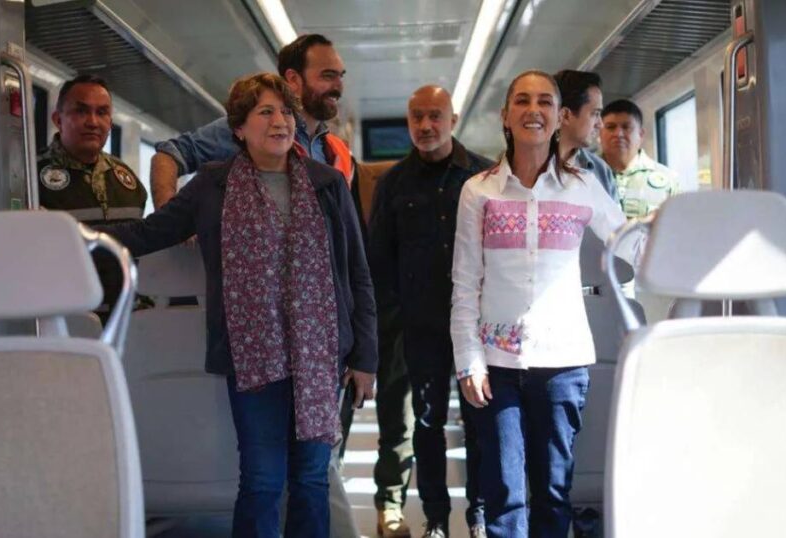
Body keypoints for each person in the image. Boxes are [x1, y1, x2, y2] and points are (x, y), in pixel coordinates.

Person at [96, 73, 377, 538]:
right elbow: (148, 234)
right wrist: (71, 235)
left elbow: (357, 273)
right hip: (253, 356)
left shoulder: (327, 184)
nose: (280, 121)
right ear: (239, 129)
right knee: (262, 479)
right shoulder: (214, 185)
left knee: (311, 478)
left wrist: (365, 357)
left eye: (285, 112)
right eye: (265, 112)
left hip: (320, 354)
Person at [450, 70, 640, 537]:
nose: (533, 110)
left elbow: (632, 246)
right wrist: (468, 361)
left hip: (563, 362)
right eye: (522, 101)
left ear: (560, 118)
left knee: (554, 494)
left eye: (544, 102)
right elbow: (464, 284)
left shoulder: (583, 187)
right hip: (496, 365)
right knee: (504, 495)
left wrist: (689, 237)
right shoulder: (479, 191)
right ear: (505, 116)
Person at [368, 86, 491, 538]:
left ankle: (478, 516)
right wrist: (390, 325)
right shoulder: (393, 184)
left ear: (452, 120)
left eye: (435, 116)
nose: (425, 126)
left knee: (479, 424)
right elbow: (379, 261)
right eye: (416, 117)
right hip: (418, 327)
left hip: (475, 327)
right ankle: (436, 519)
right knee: (426, 423)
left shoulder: (484, 176)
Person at [149, 33, 353, 209]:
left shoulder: (334, 150)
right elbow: (169, 155)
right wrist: (171, 222)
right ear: (293, 79)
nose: (339, 87)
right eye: (328, 76)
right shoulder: (252, 129)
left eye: (340, 76)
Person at [37, 74, 147, 319]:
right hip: (63, 319)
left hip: (124, 320)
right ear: (58, 119)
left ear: (110, 122)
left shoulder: (127, 180)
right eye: (81, 111)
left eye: (102, 112)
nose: (93, 122)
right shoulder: (30, 178)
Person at [599, 99, 679, 219]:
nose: (618, 134)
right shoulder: (585, 175)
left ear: (641, 135)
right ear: (599, 133)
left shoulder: (668, 180)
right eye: (611, 127)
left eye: (626, 127)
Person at [552, 70, 618, 201]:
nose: (600, 124)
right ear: (565, 115)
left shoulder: (600, 170)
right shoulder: (529, 165)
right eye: (595, 114)